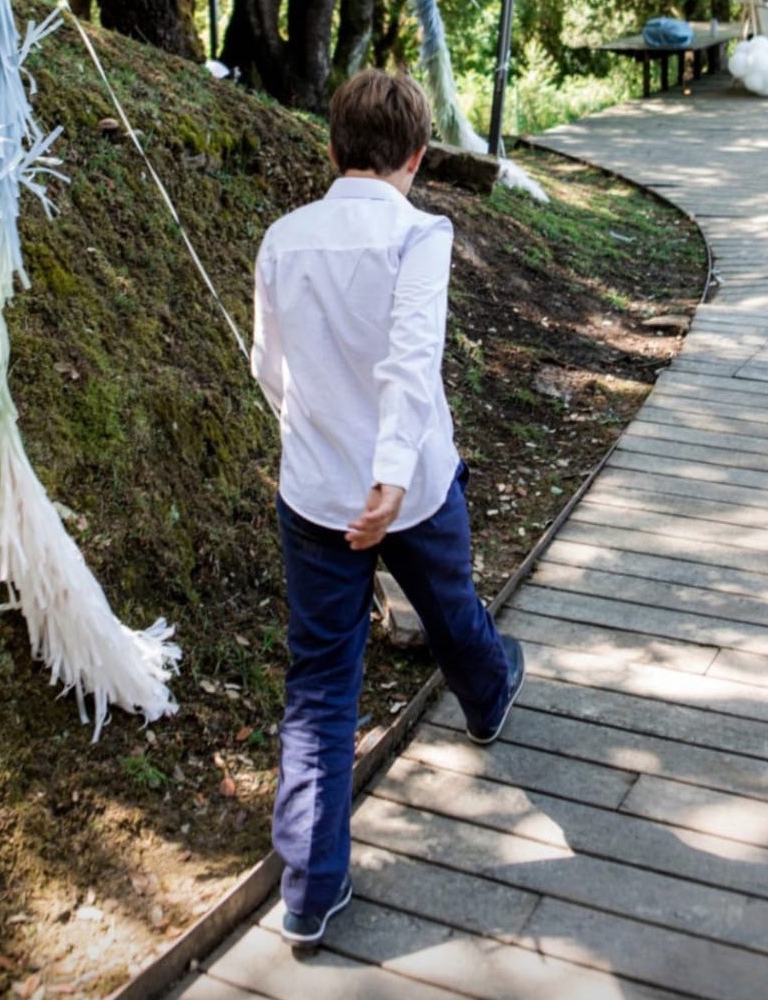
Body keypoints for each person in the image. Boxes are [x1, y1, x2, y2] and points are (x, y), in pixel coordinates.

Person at [251, 67, 525, 948]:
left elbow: (269, 367)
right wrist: (390, 480)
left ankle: (308, 888)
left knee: (321, 680)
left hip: (315, 492)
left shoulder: (283, 236)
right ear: (415, 156)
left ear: (331, 149)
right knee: (449, 607)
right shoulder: (420, 232)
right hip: (410, 486)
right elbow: (412, 359)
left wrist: (331, 453)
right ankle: (487, 693)